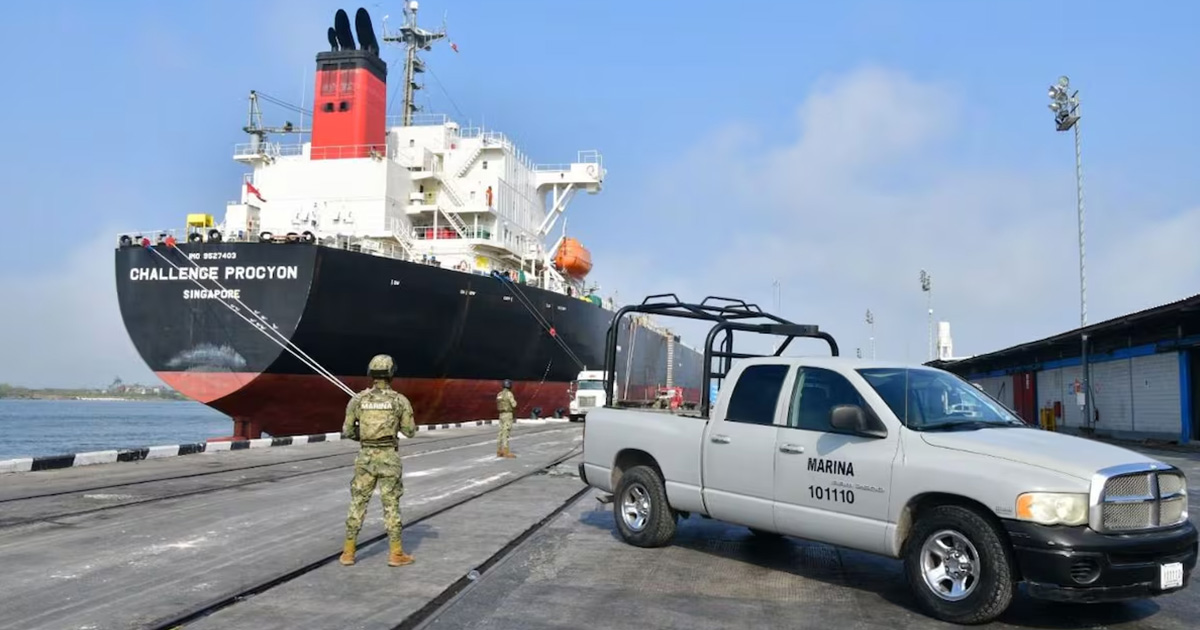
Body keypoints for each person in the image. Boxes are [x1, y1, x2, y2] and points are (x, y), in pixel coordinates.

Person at [339, 354, 418, 567]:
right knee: (391, 503)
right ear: (392, 374)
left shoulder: (358, 400)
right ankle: (396, 553)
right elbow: (410, 431)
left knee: (358, 501)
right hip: (389, 457)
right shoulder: (399, 401)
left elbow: (347, 430)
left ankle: (348, 552)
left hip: (365, 456)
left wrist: (364, 437)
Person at [496, 379, 517, 458]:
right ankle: (506, 452)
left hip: (501, 414)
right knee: (506, 433)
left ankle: (499, 451)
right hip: (508, 414)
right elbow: (514, 404)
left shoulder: (499, 394)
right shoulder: (509, 394)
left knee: (500, 433)